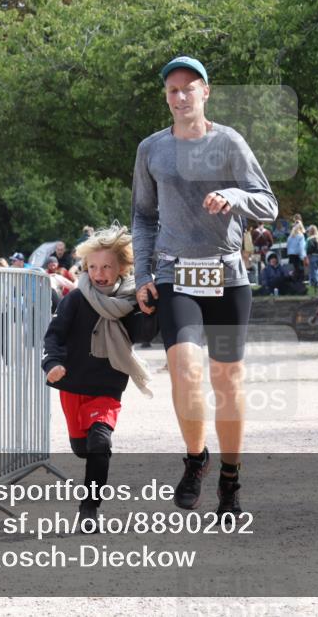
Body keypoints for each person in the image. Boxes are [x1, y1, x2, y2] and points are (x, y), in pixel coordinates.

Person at [132, 55, 278, 515]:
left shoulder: (229, 143)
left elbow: (267, 204)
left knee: (228, 381)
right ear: (166, 96)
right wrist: (142, 275)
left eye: (188, 89)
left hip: (227, 273)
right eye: (172, 90)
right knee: (185, 370)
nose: (180, 97)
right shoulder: (151, 149)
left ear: (205, 92)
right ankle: (196, 459)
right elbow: (143, 215)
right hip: (176, 273)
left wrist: (233, 196)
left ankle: (230, 478)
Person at [42, 225, 153, 530]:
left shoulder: (131, 302)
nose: (99, 273)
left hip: (108, 385)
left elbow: (144, 333)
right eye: (93, 267)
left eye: (106, 267)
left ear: (121, 268)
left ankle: (89, 510)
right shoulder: (76, 299)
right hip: (74, 385)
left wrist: (153, 308)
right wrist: (52, 362)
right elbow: (54, 336)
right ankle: (88, 472)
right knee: (82, 448)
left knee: (99, 442)